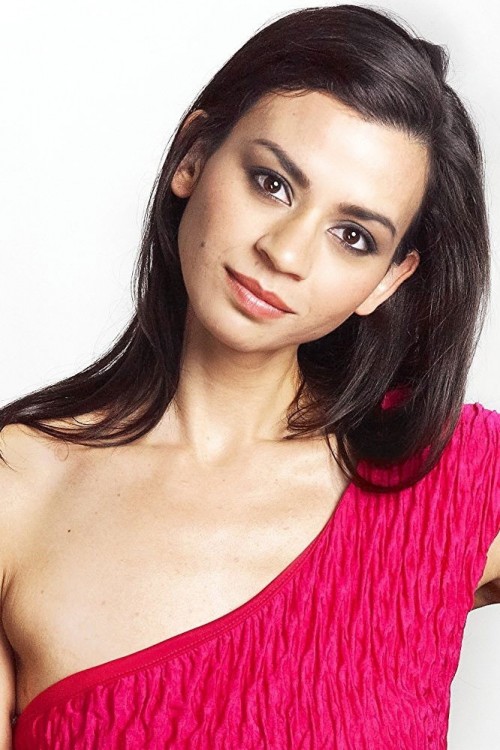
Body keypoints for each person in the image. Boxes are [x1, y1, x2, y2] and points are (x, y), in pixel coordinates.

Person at [1, 3, 499, 748]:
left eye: (353, 235)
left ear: (387, 281)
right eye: (272, 183)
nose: (286, 253)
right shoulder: (18, 490)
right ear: (193, 157)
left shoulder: (452, 480)